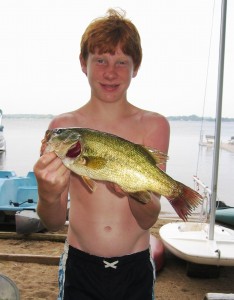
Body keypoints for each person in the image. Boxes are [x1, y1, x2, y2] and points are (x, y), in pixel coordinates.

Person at [34, 8, 170, 300]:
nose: (111, 72)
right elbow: (54, 221)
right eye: (100, 60)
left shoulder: (154, 125)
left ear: (136, 67)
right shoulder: (62, 128)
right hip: (80, 265)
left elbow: (148, 219)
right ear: (83, 63)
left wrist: (135, 192)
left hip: (136, 265)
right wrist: (47, 194)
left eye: (122, 62)